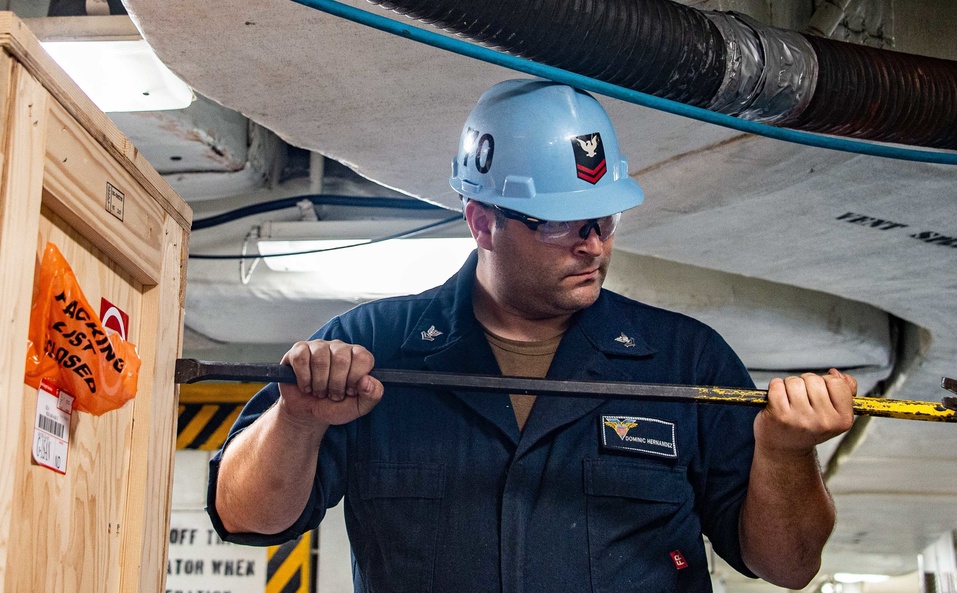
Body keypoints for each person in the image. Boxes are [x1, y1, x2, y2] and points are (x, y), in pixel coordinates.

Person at [207, 79, 856, 592]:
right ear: (482, 221)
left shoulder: (688, 360)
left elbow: (789, 565)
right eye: (563, 223)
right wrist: (296, 422)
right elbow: (242, 514)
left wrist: (785, 454)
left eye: (605, 218)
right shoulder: (374, 349)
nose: (595, 244)